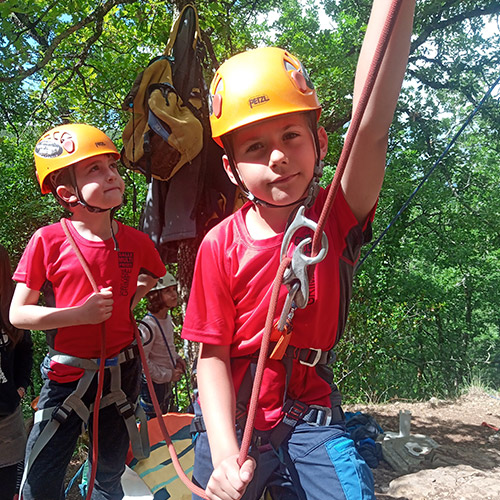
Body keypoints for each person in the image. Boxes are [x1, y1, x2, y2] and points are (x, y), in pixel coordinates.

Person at [181, 1, 416, 499]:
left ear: (322, 143)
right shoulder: (220, 245)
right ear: (231, 170)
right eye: (254, 148)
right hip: (233, 424)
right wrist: (224, 457)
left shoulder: (337, 215)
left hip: (309, 425)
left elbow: (371, 124)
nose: (278, 156)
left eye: (291, 135)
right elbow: (212, 357)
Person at [9, 123, 166, 500]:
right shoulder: (48, 241)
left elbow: (154, 278)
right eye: (94, 169)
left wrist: (131, 298)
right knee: (39, 484)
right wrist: (78, 314)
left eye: (112, 166)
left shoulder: (137, 241)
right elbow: (18, 314)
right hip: (68, 374)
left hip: (121, 372)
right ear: (67, 193)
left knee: (108, 476)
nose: (112, 174)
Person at [0, 244, 33, 500]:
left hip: (6, 415)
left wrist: (19, 387)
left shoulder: (11, 307)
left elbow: (25, 350)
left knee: (7, 484)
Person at [138, 270, 186, 418]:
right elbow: (142, 362)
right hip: (153, 388)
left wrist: (176, 359)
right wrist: (168, 375)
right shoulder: (148, 326)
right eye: (167, 291)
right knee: (154, 430)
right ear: (156, 296)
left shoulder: (166, 319)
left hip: (163, 384)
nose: (174, 295)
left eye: (173, 290)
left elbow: (164, 349)